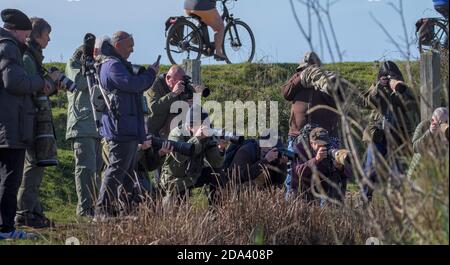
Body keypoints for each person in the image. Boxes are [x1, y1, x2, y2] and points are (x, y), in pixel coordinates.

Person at [0, 9, 53, 239]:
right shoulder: (8, 47)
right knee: (10, 179)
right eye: (26, 34)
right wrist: (41, 81)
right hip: (11, 125)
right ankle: (6, 229)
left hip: (10, 123)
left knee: (8, 178)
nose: (27, 38)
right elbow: (13, 81)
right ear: (17, 30)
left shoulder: (10, 46)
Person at [94, 31, 159, 218]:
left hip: (126, 126)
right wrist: (151, 74)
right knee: (116, 169)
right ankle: (102, 210)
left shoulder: (113, 64)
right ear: (118, 45)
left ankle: (126, 209)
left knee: (127, 173)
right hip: (120, 127)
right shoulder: (113, 65)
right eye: (130, 46)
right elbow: (133, 84)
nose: (132, 50)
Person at [281, 51, 348, 199]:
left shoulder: (326, 81)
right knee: (293, 175)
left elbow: (339, 99)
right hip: (297, 136)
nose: (308, 71)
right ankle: (292, 207)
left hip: (325, 137)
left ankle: (326, 213)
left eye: (311, 69)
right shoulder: (296, 81)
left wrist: (320, 83)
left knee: (328, 174)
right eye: (305, 69)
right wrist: (302, 77)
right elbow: (286, 92)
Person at [362, 61, 419, 201]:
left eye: (391, 76)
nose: (388, 79)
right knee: (370, 169)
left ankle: (399, 204)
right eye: (384, 76)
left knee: (398, 172)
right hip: (378, 135)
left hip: (399, 136)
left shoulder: (404, 89)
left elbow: (413, 105)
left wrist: (399, 88)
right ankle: (364, 200)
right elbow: (365, 102)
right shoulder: (376, 88)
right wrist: (379, 87)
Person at [64, 34, 105, 218]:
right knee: (85, 168)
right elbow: (79, 84)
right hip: (81, 124)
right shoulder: (74, 62)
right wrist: (86, 64)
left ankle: (94, 207)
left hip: (97, 125)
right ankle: (84, 208)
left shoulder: (97, 65)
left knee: (96, 170)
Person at [160, 106, 227, 207]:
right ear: (189, 126)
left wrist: (220, 149)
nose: (205, 128)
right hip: (176, 179)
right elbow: (179, 158)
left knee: (218, 174)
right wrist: (197, 138)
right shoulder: (177, 134)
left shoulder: (206, 136)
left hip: (194, 175)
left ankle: (215, 213)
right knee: (178, 214)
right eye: (202, 125)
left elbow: (216, 164)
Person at [292, 127, 351, 204]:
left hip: (326, 185)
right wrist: (316, 160)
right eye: (320, 144)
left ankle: (335, 208)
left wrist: (340, 167)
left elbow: (348, 173)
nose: (323, 146)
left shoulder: (332, 147)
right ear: (311, 143)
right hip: (308, 187)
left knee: (339, 177)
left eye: (325, 143)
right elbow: (298, 172)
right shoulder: (301, 148)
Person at [407, 107, 449, 179]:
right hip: (419, 172)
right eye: (441, 122)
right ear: (433, 120)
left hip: (438, 174)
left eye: (447, 122)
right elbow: (415, 148)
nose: (445, 125)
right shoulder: (423, 126)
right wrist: (430, 133)